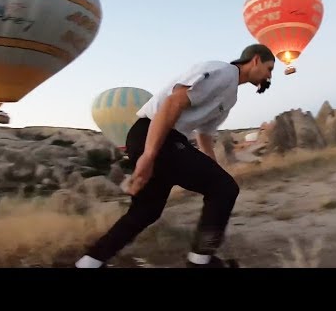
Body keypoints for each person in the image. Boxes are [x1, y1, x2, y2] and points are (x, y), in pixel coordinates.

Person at [74, 43, 276, 268]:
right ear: (255, 60)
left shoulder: (230, 96)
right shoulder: (222, 71)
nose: (269, 75)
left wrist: (214, 168)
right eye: (269, 68)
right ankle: (200, 261)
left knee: (146, 211)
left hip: (162, 139)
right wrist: (149, 154)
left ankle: (88, 263)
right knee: (225, 188)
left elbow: (205, 134)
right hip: (156, 134)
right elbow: (174, 102)